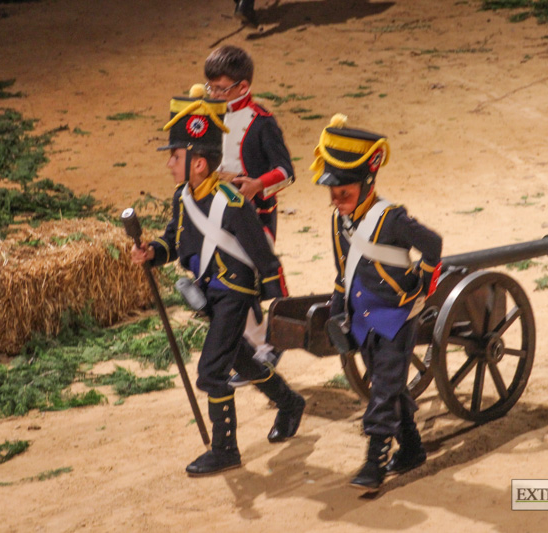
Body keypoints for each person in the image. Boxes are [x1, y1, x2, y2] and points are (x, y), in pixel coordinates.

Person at [131, 86, 305, 476]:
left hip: (235, 293)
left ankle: (225, 449)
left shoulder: (233, 202)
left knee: (211, 371)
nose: (169, 164)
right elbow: (175, 240)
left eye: (176, 157)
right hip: (210, 293)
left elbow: (262, 255)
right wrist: (153, 253)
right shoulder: (183, 197)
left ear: (198, 163)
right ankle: (290, 402)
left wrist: (274, 303)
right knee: (240, 358)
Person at [311, 114, 442, 491]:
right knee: (391, 387)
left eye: (344, 194)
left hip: (397, 316)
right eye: (333, 195)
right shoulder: (341, 222)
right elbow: (343, 271)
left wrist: (422, 281)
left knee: (382, 392)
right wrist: (339, 313)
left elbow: (432, 245)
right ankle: (413, 447)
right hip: (363, 319)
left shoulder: (391, 218)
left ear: (367, 184)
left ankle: (375, 462)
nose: (337, 202)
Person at [204, 45, 295, 385]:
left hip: (254, 213)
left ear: (243, 87)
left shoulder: (262, 122)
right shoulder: (210, 116)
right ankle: (246, 348)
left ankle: (266, 345)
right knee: (224, 276)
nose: (214, 94)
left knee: (247, 277)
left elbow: (286, 171)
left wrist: (257, 184)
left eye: (220, 88)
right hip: (218, 209)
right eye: (211, 88)